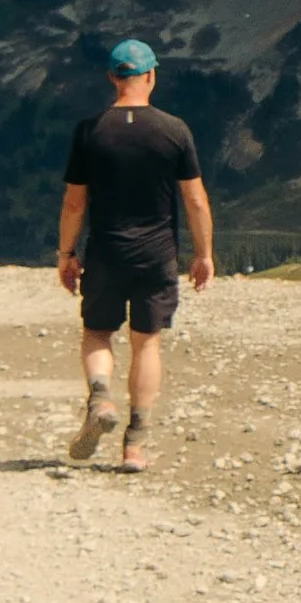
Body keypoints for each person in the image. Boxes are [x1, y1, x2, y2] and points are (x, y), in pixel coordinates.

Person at [58, 39, 214, 472]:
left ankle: (100, 398)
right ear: (151, 76)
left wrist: (66, 253)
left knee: (97, 332)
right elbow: (196, 200)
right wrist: (203, 254)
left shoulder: (90, 130)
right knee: (147, 344)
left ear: (112, 78)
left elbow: (74, 203)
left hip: (106, 251)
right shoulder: (175, 130)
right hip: (157, 253)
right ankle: (135, 445)